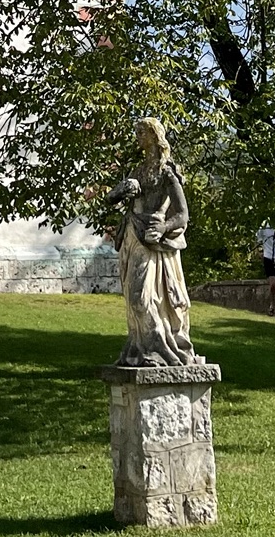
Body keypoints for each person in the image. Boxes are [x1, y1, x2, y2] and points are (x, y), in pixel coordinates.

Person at [105, 117, 200, 368]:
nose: (137, 136)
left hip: (152, 240)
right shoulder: (138, 171)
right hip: (133, 236)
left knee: (142, 296)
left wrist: (164, 226)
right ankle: (141, 345)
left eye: (141, 132)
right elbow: (109, 199)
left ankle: (158, 346)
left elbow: (182, 214)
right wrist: (122, 190)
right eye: (136, 132)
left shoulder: (166, 171)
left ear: (154, 135)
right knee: (132, 296)